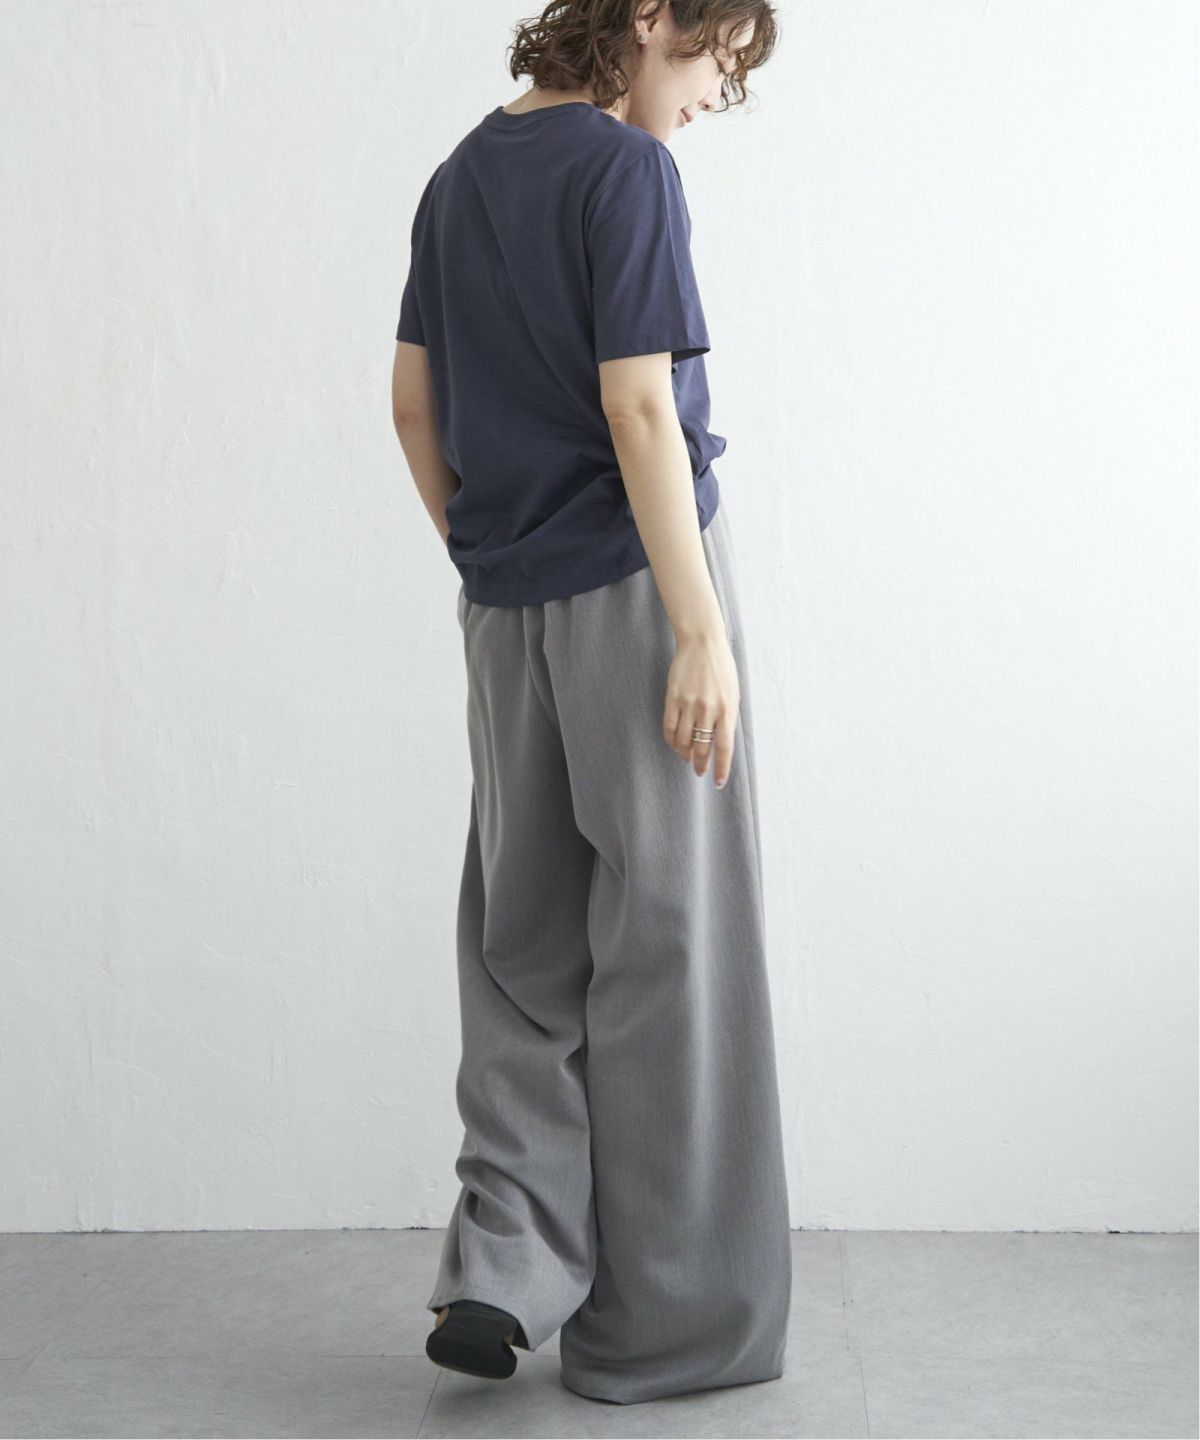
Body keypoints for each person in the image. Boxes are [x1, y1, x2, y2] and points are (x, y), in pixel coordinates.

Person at [390, 0, 788, 1408]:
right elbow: (639, 407)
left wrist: (491, 556)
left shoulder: (457, 179)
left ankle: (500, 1266)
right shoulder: (627, 172)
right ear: (653, 17)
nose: (712, 97)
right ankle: (666, 1329)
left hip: (503, 604)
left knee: (522, 948)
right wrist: (699, 629)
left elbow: (411, 407)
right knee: (671, 948)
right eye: (715, 60)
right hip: (637, 585)